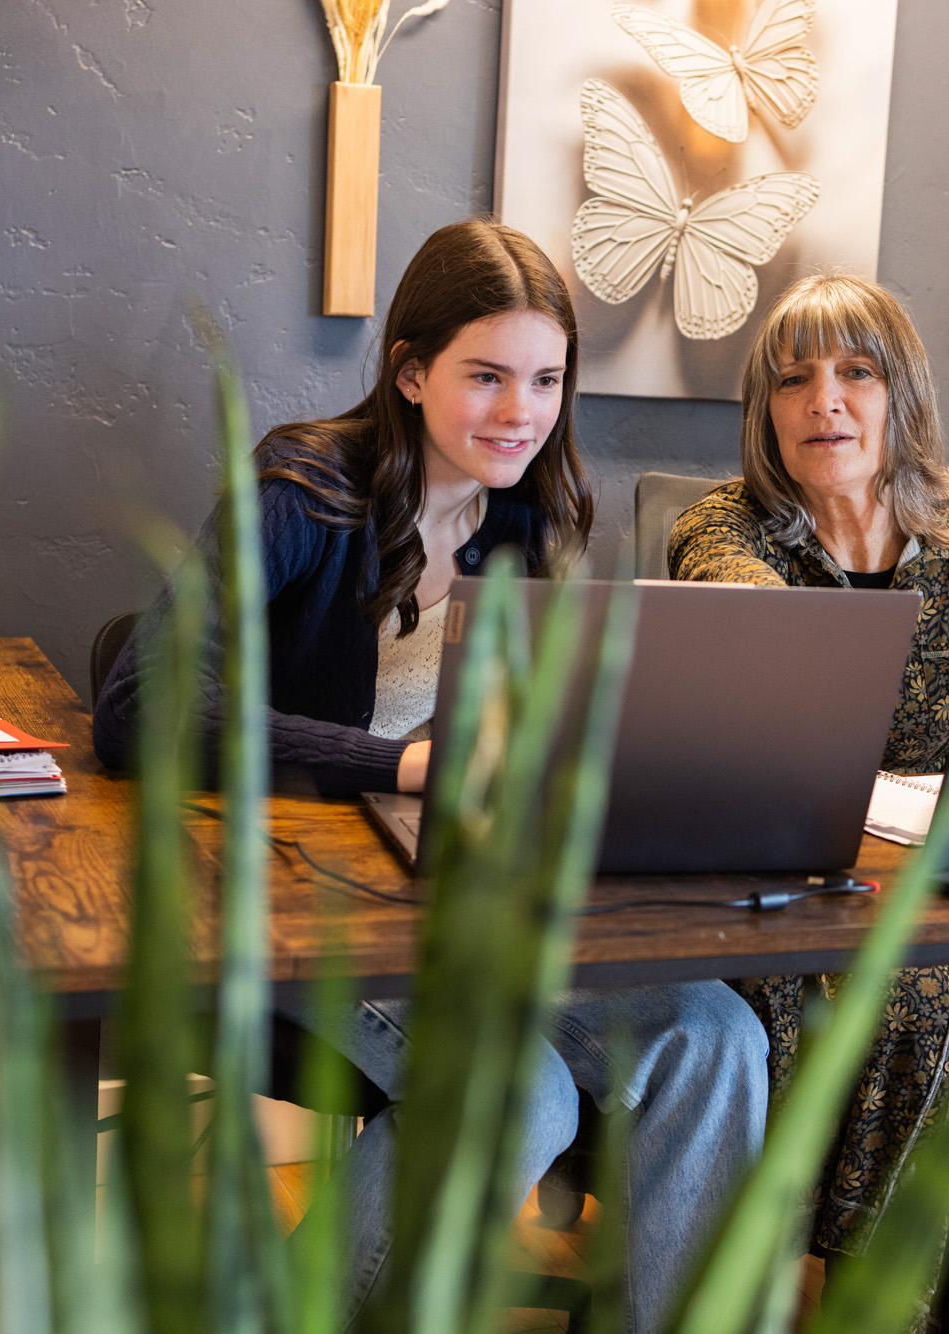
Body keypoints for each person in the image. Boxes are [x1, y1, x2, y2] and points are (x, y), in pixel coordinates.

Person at [93, 218, 766, 1331]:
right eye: (486, 375)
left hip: (483, 902)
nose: (520, 411)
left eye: (545, 379)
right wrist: (397, 761)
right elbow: (138, 703)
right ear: (409, 372)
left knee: (717, 1036)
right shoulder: (300, 492)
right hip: (307, 904)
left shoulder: (535, 516)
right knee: (515, 1086)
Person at [667, 273, 949, 1261]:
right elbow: (739, 602)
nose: (823, 399)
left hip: (928, 886)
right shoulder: (721, 529)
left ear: (899, 397)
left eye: (855, 372)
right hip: (772, 883)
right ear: (765, 412)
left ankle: (875, 1286)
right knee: (855, 996)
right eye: (793, 379)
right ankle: (795, 1269)